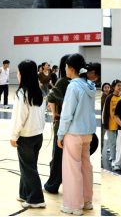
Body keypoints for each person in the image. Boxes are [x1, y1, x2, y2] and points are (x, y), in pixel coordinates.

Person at [57, 54, 97, 215]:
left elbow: (67, 113)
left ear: (71, 68)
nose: (65, 69)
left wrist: (60, 134)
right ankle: (87, 201)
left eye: (66, 66)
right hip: (88, 132)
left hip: (74, 133)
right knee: (86, 166)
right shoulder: (90, 86)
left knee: (72, 169)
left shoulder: (73, 86)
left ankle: (73, 205)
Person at [9, 59, 46, 209]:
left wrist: (13, 136)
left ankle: (36, 198)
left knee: (28, 168)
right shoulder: (39, 92)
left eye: (18, 72)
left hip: (26, 137)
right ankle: (25, 193)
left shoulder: (22, 94)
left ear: (23, 74)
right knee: (28, 166)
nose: (17, 75)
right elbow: (42, 116)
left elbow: (18, 118)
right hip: (38, 135)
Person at [44, 55, 71, 195]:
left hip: (62, 126)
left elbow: (50, 97)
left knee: (57, 158)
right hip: (79, 128)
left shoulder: (64, 82)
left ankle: (52, 185)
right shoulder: (84, 83)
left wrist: (54, 112)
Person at [102, 79, 121, 163]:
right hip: (111, 124)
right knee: (112, 142)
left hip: (120, 124)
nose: (120, 87)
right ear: (113, 87)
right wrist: (105, 125)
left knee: (119, 143)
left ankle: (116, 156)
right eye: (118, 85)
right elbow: (105, 112)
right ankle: (114, 159)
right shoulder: (109, 97)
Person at [100, 82, 111, 151]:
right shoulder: (102, 96)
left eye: (108, 87)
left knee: (110, 134)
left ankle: (108, 147)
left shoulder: (112, 96)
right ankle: (101, 148)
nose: (106, 89)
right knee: (102, 133)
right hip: (103, 116)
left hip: (110, 117)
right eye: (105, 87)